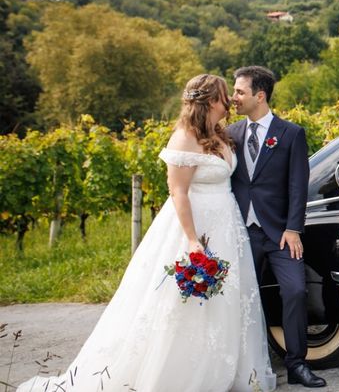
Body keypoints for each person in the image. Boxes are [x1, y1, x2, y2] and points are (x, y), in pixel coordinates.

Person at [17, 74, 276, 392]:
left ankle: (225, 367)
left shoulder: (222, 134)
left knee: (225, 300)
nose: (231, 101)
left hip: (227, 226)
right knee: (184, 304)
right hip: (195, 226)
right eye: (226, 96)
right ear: (210, 101)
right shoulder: (185, 137)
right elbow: (178, 192)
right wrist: (193, 240)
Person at [228, 66, 325, 388]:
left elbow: (299, 185)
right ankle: (243, 365)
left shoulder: (290, 134)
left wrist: (294, 228)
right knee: (241, 298)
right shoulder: (230, 134)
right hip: (242, 233)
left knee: (296, 291)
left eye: (239, 91)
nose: (234, 97)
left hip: (282, 234)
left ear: (260, 95)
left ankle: (297, 364)